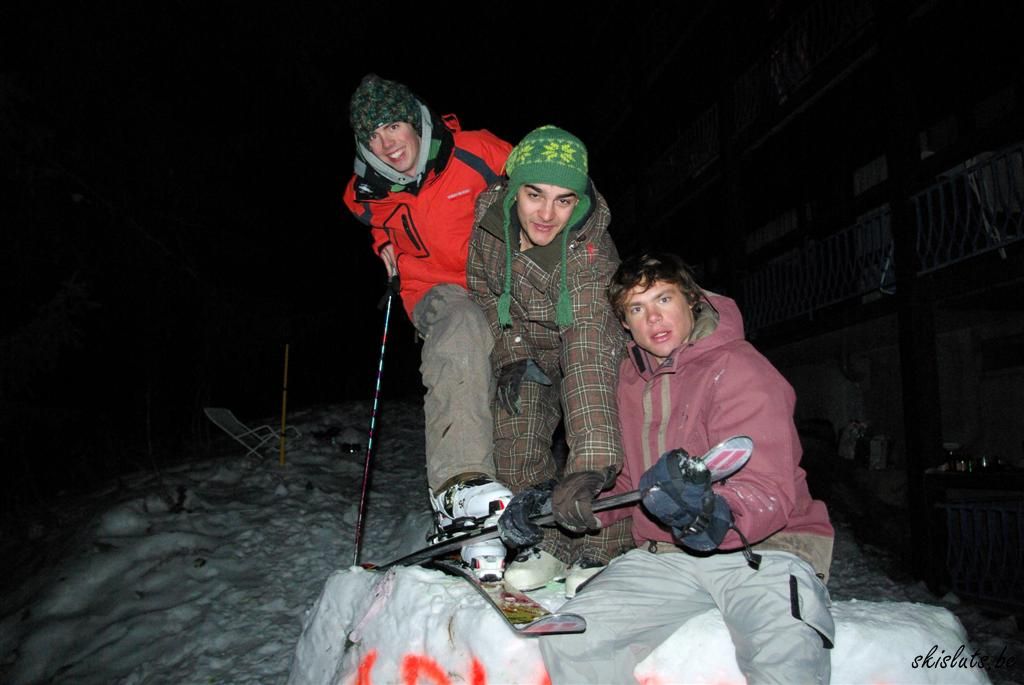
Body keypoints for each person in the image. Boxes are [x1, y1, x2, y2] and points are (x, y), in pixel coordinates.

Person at [526, 251, 836, 683]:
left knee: (786, 654)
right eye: (637, 308)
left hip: (765, 551)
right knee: (572, 637)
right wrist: (563, 506)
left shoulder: (741, 367)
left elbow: (768, 487)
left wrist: (709, 512)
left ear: (690, 300)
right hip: (667, 556)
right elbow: (635, 485)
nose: (653, 318)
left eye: (664, 299)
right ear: (625, 324)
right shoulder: (631, 383)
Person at [343, 74, 514, 576]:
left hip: (500, 288)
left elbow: (540, 175)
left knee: (518, 386)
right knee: (459, 328)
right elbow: (371, 218)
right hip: (436, 294)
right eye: (372, 136)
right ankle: (459, 487)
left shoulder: (476, 151)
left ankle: (500, 518)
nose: (387, 143)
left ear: (416, 120)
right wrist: (384, 248)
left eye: (393, 125)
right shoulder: (366, 191)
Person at [467, 126, 632, 597]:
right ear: (513, 189)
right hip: (532, 350)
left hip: (593, 352)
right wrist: (513, 353)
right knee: (514, 429)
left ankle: (604, 546)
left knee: (598, 449)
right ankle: (548, 542)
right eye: (535, 194)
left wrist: (590, 465)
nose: (546, 213)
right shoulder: (488, 230)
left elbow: (587, 360)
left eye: (564, 200)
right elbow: (483, 292)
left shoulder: (592, 258)